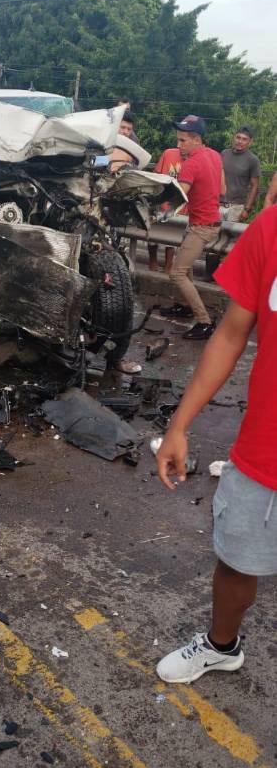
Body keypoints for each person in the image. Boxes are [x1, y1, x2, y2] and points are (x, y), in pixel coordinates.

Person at [155, 203, 277, 684]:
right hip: (265, 452)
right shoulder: (272, 228)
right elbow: (230, 335)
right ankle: (221, 645)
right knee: (234, 563)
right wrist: (179, 425)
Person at [160, 115, 224, 340]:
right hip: (206, 221)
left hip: (201, 227)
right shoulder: (214, 155)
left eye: (183, 141)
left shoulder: (191, 163)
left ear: (196, 139)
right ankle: (184, 306)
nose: (178, 146)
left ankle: (205, 322)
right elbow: (222, 188)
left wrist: (158, 207)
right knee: (185, 269)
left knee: (177, 273)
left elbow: (179, 197)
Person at [148, 147, 182, 274]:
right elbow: (157, 172)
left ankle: (168, 265)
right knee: (154, 234)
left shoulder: (193, 159)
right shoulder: (169, 153)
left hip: (178, 203)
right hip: (162, 200)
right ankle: (153, 261)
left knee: (172, 236)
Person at [221, 126, 261, 222]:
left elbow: (255, 186)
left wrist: (247, 209)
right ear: (234, 138)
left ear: (250, 142)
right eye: (238, 137)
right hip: (218, 205)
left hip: (237, 208)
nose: (240, 141)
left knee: (231, 236)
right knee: (214, 235)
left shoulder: (253, 160)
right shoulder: (224, 153)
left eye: (244, 139)